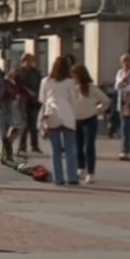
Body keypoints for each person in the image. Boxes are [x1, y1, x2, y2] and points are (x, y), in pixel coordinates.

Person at [39, 56, 80, 185]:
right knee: (70, 149)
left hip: (51, 115)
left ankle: (59, 178)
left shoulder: (45, 81)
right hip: (67, 115)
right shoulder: (70, 82)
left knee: (55, 149)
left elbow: (42, 99)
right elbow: (74, 100)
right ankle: (72, 177)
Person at [71, 64, 109, 184]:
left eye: (74, 75)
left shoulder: (91, 88)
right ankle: (80, 167)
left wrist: (98, 110)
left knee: (89, 146)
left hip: (90, 119)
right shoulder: (72, 87)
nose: (73, 78)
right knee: (78, 145)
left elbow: (106, 101)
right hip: (76, 119)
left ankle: (90, 172)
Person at [14, 54, 44, 154]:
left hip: (34, 101)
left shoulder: (36, 73)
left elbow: (40, 85)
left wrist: (39, 97)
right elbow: (16, 86)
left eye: (31, 61)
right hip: (22, 101)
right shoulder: (18, 72)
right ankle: (22, 146)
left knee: (33, 124)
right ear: (23, 61)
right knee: (24, 124)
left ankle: (34, 145)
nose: (30, 63)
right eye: (28, 61)